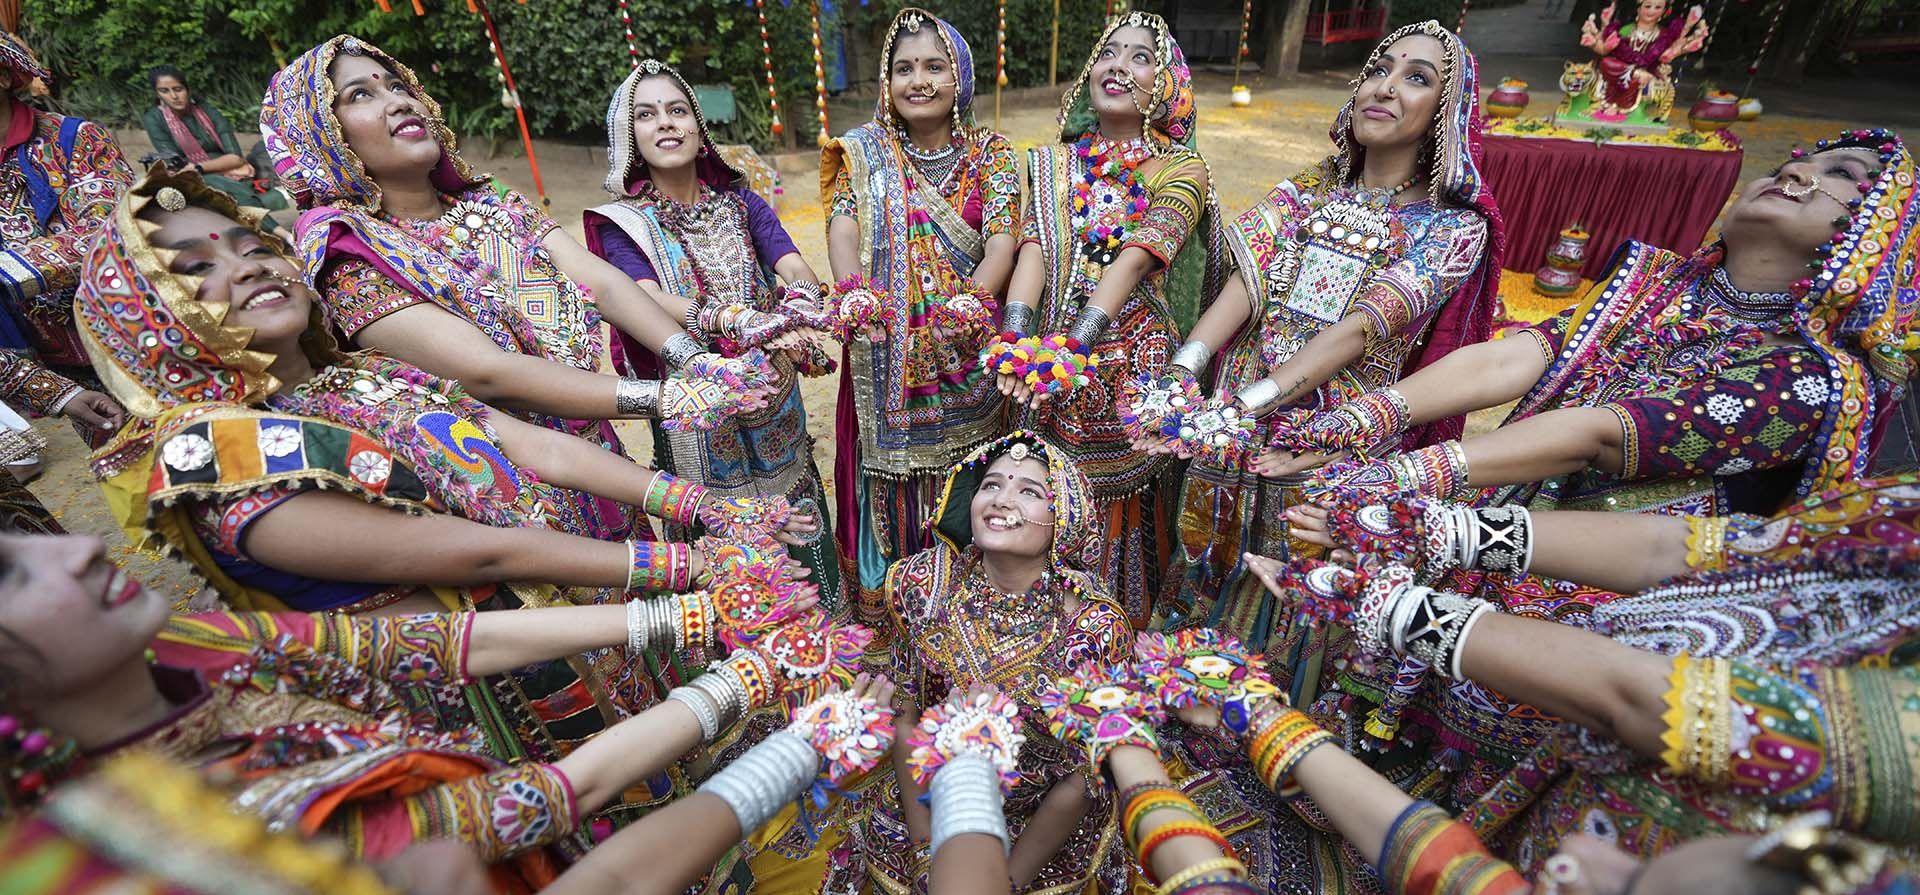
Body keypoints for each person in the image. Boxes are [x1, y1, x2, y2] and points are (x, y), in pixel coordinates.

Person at [0, 526, 868, 891]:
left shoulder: (194, 644)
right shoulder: (177, 844)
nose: (76, 546)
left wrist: (690, 607)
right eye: (10, 572)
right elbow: (545, 803)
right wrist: (775, 715)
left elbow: (438, 646)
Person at [1280, 131, 1918, 556]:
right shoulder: (1654, 282)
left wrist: (1394, 476)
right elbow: (1516, 355)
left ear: (1876, 234)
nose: (1800, 172)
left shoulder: (1811, 378)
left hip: (1599, 585)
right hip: (1500, 510)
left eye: (1841, 174)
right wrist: (1354, 423)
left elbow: (1601, 432)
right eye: (1788, 165)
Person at [259, 35, 771, 546]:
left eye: (397, 85)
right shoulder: (349, 251)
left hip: (603, 465)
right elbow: (489, 373)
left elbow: (599, 281)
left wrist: (695, 360)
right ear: (319, 133)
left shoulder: (490, 203)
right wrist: (672, 397)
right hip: (514, 500)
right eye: (359, 95)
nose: (398, 101)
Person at [1142, 19, 1503, 646]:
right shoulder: (1308, 189)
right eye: (1379, 69)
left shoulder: (1452, 229)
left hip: (1327, 442)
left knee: (1289, 603)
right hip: (1226, 427)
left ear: (1447, 111)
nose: (1385, 87)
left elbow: (1359, 331)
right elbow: (1245, 284)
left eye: (1416, 78)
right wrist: (1182, 374)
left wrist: (1245, 405)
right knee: (1201, 566)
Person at [990, 12, 1224, 626]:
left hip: (1127, 373)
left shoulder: (1182, 169)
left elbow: (1138, 256)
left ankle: (1118, 627)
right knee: (1046, 493)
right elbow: (1034, 248)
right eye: (1108, 52)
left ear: (1168, 85)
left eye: (1140, 57)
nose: (1117, 65)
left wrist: (1076, 346)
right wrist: (1016, 343)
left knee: (1123, 510)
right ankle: (1041, 629)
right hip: (1045, 373)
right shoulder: (1047, 164)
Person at [584, 59, 840, 603]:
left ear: (699, 130)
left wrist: (798, 306)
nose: (666, 123)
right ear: (629, 137)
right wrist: (735, 321)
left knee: (795, 499)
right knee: (723, 539)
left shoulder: (741, 202)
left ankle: (821, 630)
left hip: (774, 394)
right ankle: (739, 655)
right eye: (647, 115)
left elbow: (792, 263)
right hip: (696, 406)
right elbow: (643, 299)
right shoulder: (623, 224)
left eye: (678, 110)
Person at [851, 431, 1133, 893]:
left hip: (1038, 822)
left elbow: (1086, 778)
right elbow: (904, 712)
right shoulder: (922, 583)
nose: (1002, 501)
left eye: (1030, 492)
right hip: (928, 796)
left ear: (1065, 517)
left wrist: (1008, 880)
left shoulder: (1095, 630)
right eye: (991, 484)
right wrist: (926, 850)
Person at [819, 8, 1019, 613]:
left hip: (968, 350)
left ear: (961, 77)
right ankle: (891, 608)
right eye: (903, 69)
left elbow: (1005, 238)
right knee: (885, 481)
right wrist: (852, 287)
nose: (919, 80)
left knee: (970, 473)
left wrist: (973, 298)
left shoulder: (993, 153)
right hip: (884, 354)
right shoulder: (864, 152)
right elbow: (843, 222)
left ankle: (968, 597)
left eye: (935, 66)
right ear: (887, 85)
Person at [0, 29, 131, 392]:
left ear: (4, 76)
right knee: (108, 439)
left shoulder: (76, 139)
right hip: (44, 356)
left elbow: (110, 231)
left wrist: (7, 271)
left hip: (129, 329)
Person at [142, 65, 291, 222]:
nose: (173, 96)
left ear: (187, 89)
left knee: (268, 148)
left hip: (229, 169)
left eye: (178, 89)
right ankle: (280, 233)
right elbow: (177, 164)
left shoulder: (207, 111)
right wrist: (196, 170)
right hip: (192, 177)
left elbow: (236, 158)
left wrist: (200, 167)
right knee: (218, 187)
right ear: (158, 94)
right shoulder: (154, 119)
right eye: (165, 91)